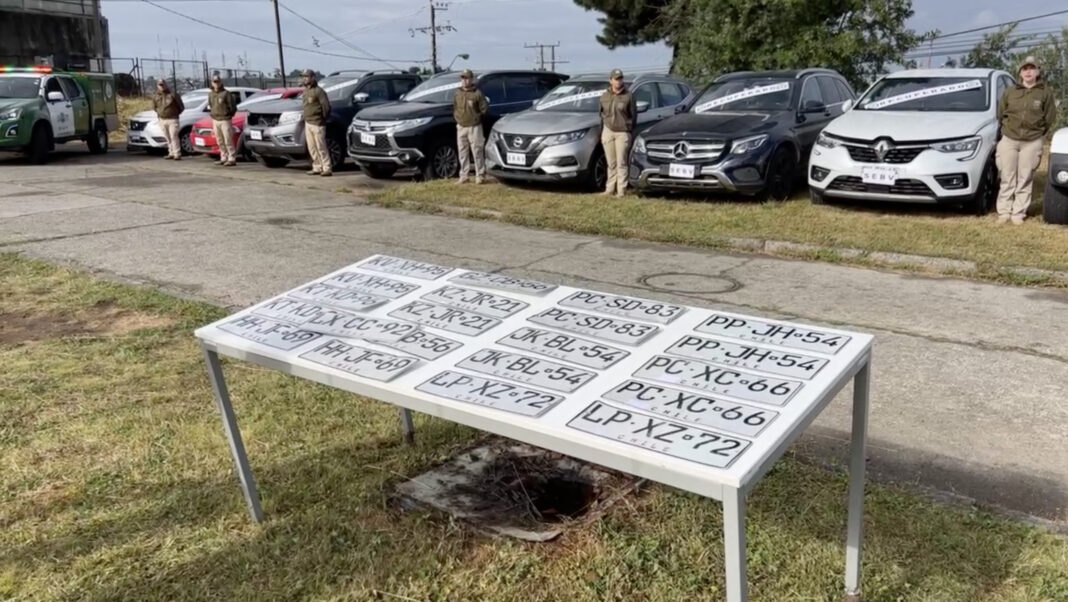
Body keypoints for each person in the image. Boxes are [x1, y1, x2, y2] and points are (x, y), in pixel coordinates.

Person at [996, 55, 1057, 224]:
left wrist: (1038, 133)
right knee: (1007, 176)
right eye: (1025, 69)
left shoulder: (1045, 93)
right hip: (1009, 139)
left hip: (1032, 141)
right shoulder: (1010, 91)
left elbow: (1049, 116)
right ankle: (1004, 212)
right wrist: (1007, 130)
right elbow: (1001, 113)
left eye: (1032, 68)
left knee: (1025, 177)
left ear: (1037, 72)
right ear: (1020, 73)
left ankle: (1018, 213)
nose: (1028, 72)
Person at [599, 68, 637, 197]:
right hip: (608, 131)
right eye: (616, 79)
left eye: (620, 79)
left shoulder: (629, 96)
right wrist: (602, 130)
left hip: (623, 132)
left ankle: (621, 190)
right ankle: (609, 189)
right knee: (611, 163)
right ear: (610, 80)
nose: (618, 81)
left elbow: (633, 115)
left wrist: (629, 130)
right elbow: (601, 114)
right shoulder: (604, 96)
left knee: (622, 162)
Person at [453, 69, 488, 184]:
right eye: (463, 78)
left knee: (477, 151)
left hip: (474, 127)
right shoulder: (457, 93)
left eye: (467, 78)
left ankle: (480, 175)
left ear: (471, 79)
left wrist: (476, 118)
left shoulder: (477, 93)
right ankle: (464, 175)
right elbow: (455, 107)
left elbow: (484, 109)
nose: (464, 80)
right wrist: (457, 119)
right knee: (462, 151)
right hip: (461, 126)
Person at [301, 69, 332, 177]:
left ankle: (327, 168)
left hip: (317, 123)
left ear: (313, 78)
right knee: (312, 147)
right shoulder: (305, 91)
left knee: (321, 147)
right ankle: (317, 167)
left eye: (307, 76)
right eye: (303, 77)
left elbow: (326, 107)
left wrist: (322, 118)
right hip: (308, 122)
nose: (304, 79)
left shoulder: (319, 91)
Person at [208, 75, 238, 167]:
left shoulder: (226, 93)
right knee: (219, 140)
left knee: (228, 139)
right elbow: (210, 105)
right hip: (215, 120)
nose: (216, 84)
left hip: (225, 120)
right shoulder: (211, 94)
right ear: (212, 83)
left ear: (221, 82)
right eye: (214, 82)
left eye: (218, 82)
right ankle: (223, 157)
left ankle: (232, 158)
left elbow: (233, 107)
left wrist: (228, 115)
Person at [152, 80, 184, 160]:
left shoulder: (173, 94)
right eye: (160, 85)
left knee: (173, 136)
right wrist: (160, 113)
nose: (162, 86)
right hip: (162, 119)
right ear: (157, 86)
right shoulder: (155, 96)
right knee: (167, 137)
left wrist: (174, 113)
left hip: (172, 119)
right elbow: (154, 107)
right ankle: (171, 153)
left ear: (166, 85)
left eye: (163, 84)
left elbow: (181, 107)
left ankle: (177, 154)